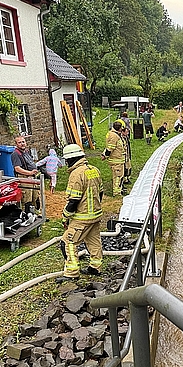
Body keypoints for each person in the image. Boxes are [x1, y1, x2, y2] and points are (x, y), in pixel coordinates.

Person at [57, 143, 103, 283]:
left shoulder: (76, 174)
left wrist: (65, 216)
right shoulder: (94, 170)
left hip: (82, 218)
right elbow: (100, 193)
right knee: (93, 240)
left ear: (70, 159)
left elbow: (73, 200)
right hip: (95, 215)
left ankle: (72, 272)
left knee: (68, 241)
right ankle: (95, 267)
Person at [11, 136, 40, 210]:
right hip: (24, 179)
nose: (22, 144)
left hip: (32, 178)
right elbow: (17, 168)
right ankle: (26, 216)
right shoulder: (15, 154)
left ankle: (35, 214)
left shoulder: (26, 152)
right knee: (27, 199)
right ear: (16, 144)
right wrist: (30, 173)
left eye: (23, 142)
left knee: (35, 197)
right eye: (19, 142)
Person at [102, 120, 126, 196]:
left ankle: (119, 190)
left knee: (119, 176)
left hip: (119, 160)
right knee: (118, 177)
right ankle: (116, 193)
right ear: (119, 128)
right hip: (117, 161)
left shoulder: (115, 134)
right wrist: (105, 156)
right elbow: (110, 148)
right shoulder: (114, 136)